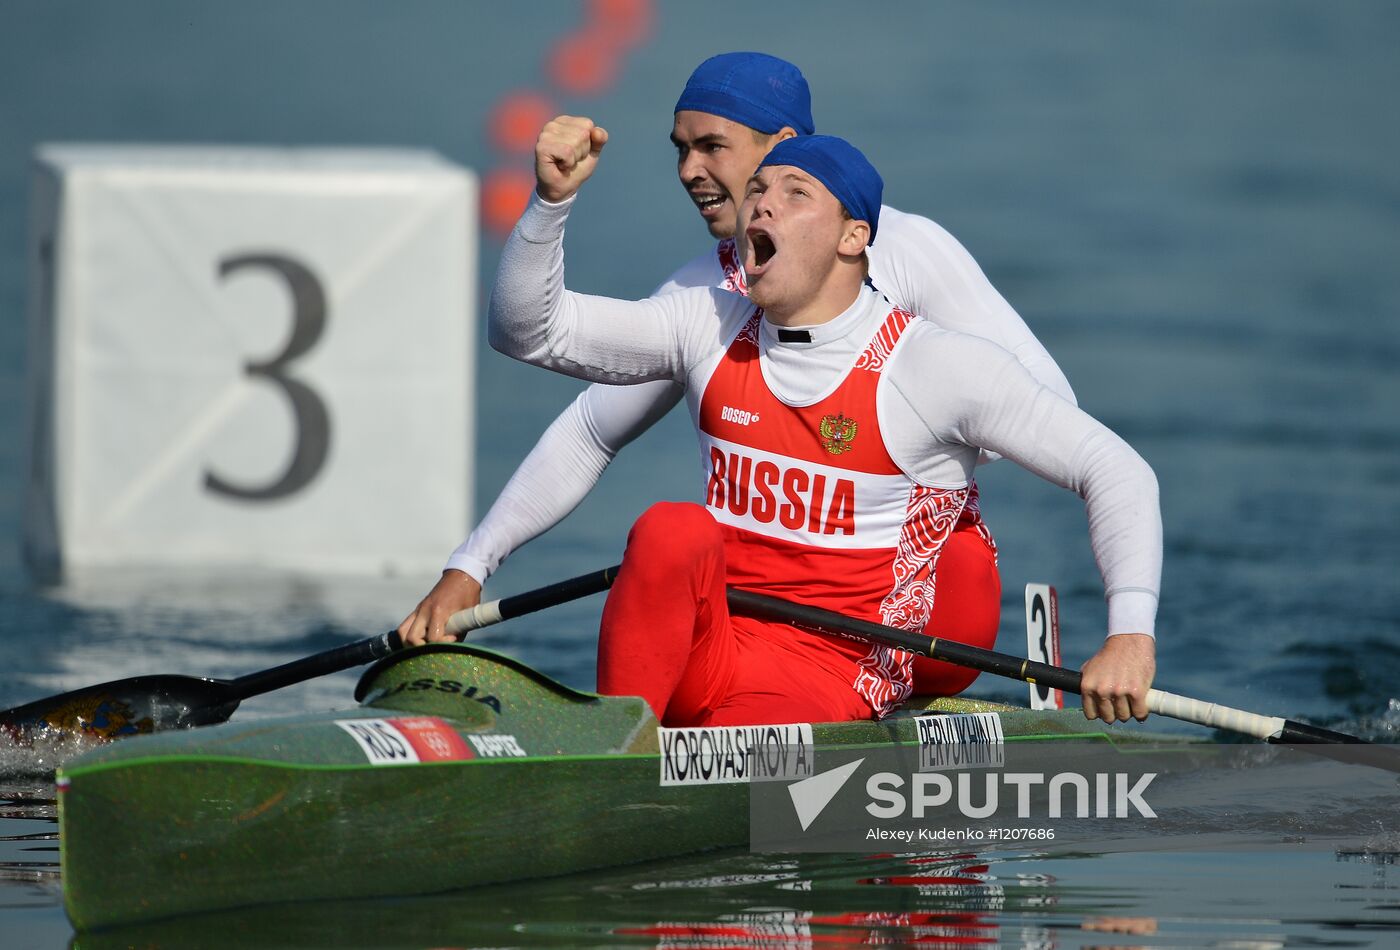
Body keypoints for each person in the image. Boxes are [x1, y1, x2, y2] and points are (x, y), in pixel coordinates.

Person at [400, 53, 1074, 696]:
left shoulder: (905, 249)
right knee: (679, 547)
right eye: (680, 149)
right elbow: (590, 434)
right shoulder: (705, 299)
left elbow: (1053, 404)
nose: (689, 170)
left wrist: (915, 453)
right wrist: (470, 567)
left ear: (780, 144)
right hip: (783, 609)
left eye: (711, 147)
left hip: (931, 603)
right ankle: (640, 741)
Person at [482, 119, 1160, 727]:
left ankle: (640, 773)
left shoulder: (933, 368)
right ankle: (618, 743)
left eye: (795, 193)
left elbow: (1115, 469)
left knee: (743, 721)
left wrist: (1129, 635)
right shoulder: (705, 323)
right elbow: (527, 334)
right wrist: (550, 202)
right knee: (670, 528)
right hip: (716, 641)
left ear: (852, 236)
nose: (763, 202)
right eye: (759, 191)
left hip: (832, 666)